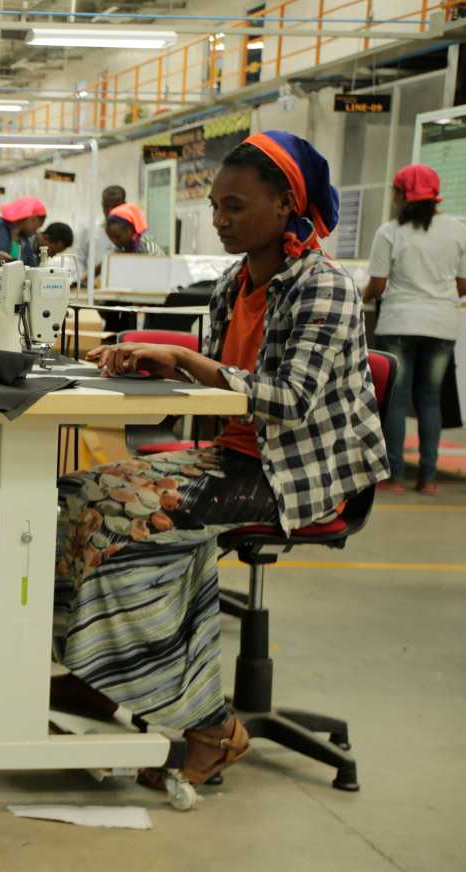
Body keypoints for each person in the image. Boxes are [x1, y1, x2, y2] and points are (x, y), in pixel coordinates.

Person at [53, 131, 387, 791]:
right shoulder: (236, 283)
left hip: (295, 476)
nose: (220, 220)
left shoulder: (321, 289)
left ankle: (211, 728)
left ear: (287, 203)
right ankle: (100, 672)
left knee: (136, 517)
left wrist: (187, 359)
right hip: (234, 458)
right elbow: (220, 379)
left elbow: (288, 403)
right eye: (215, 207)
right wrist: (151, 357)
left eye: (235, 207)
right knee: (76, 494)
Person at [364, 163, 466, 496]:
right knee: (430, 400)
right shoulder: (457, 230)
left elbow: (377, 286)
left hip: (398, 324)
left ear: (403, 195)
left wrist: (361, 295)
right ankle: (429, 479)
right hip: (441, 326)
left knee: (395, 399)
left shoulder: (390, 232)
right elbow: (462, 284)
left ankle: (393, 477)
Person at [78, 184, 125, 284]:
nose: (109, 211)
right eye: (106, 206)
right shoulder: (89, 229)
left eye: (114, 206)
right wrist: (83, 282)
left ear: (124, 205)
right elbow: (79, 259)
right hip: (92, 290)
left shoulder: (132, 232)